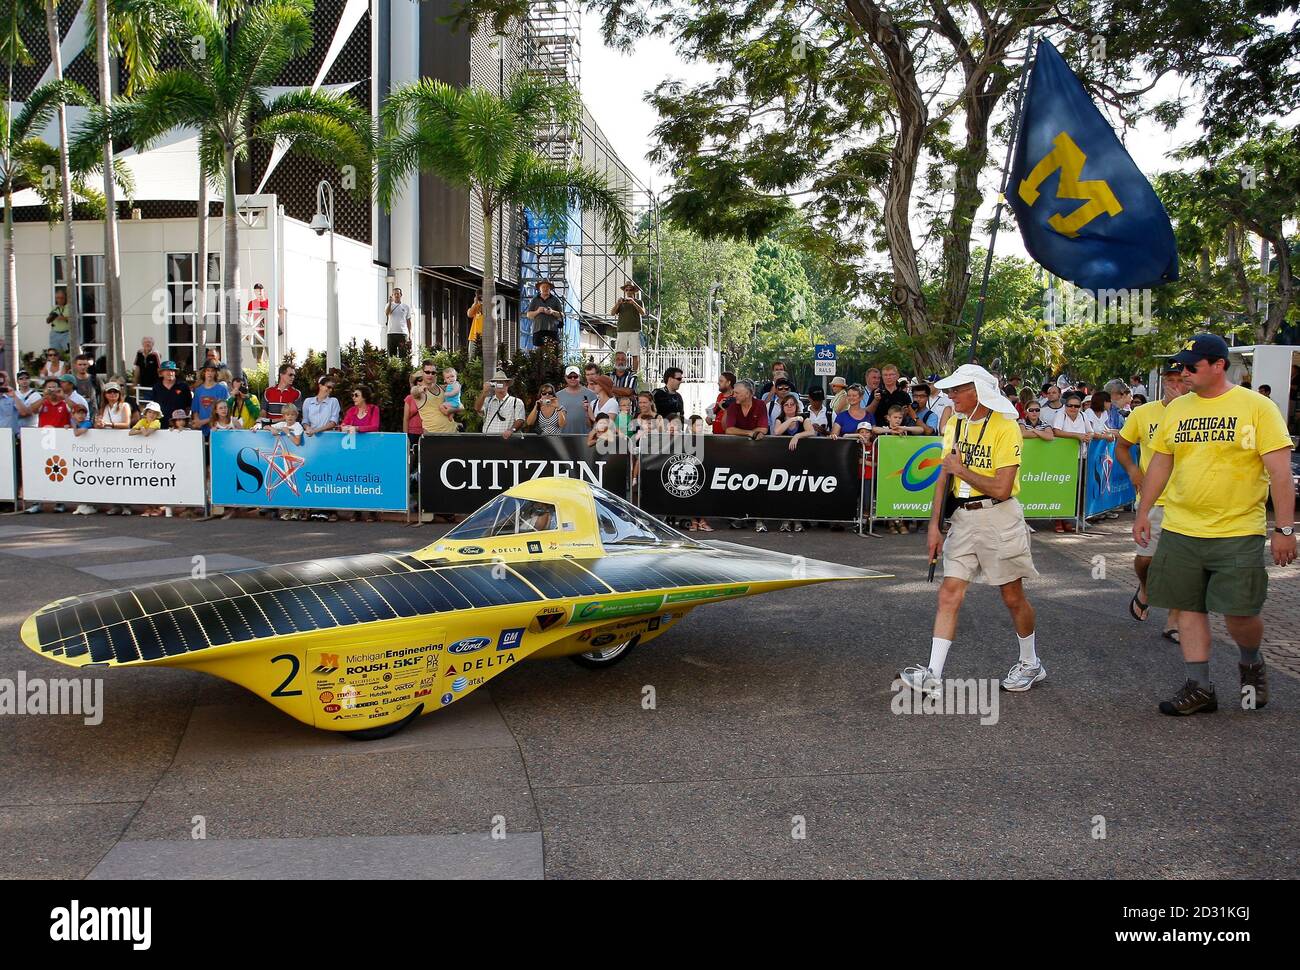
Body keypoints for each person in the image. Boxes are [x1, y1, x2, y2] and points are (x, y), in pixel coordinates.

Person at [1134, 334, 1296, 716]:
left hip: (1238, 531)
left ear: (1219, 365)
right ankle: (1200, 687)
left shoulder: (1257, 407)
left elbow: (1280, 473)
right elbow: (1162, 462)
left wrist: (1285, 530)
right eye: (1181, 367)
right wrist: (1143, 511)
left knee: (1240, 613)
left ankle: (1251, 662)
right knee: (1188, 607)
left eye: (1192, 367)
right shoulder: (1177, 409)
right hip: (1180, 527)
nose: (1183, 373)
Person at [900, 363, 1041, 699]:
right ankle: (933, 674)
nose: (950, 395)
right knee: (949, 593)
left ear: (978, 392)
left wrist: (961, 468)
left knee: (1012, 597)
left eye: (957, 390)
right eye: (949, 390)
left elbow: (1003, 488)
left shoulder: (1006, 428)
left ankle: (1030, 662)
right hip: (962, 520)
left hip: (1000, 518)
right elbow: (943, 478)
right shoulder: (954, 424)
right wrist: (933, 527)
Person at [1116, 362, 1188, 640]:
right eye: (1169, 380)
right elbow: (1121, 445)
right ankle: (1146, 588)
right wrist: (1134, 471)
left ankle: (1174, 620)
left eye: (1180, 380)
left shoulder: (1199, 413)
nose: (1174, 385)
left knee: (1182, 565)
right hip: (1153, 500)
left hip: (1188, 502)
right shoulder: (1144, 413)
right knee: (1146, 560)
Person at [772, 395, 815, 534]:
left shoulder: (804, 418)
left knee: (798, 490)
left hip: (800, 460)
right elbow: (777, 432)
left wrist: (797, 435)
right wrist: (791, 419)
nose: (790, 407)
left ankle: (797, 520)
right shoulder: (780, 419)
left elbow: (811, 431)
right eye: (786, 405)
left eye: (792, 404)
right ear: (783, 407)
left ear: (797, 406)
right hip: (783, 461)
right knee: (784, 491)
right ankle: (785, 520)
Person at [477, 369, 526, 438]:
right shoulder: (487, 400)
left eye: (502, 382)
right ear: (493, 385)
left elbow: (520, 420)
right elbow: (477, 409)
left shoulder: (516, 402)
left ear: (507, 384)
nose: (500, 384)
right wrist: (483, 393)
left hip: (507, 439)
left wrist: (511, 430)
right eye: (497, 382)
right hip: (488, 439)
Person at [611, 281, 644, 371]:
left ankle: (634, 374)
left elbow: (643, 313)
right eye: (627, 289)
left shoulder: (639, 302)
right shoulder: (621, 302)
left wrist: (633, 302)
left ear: (634, 291)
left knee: (635, 353)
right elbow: (612, 313)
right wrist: (618, 303)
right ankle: (620, 372)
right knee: (620, 354)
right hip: (622, 331)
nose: (629, 291)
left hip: (635, 331)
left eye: (631, 289)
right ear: (625, 291)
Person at [190, 362, 230, 436]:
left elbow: (224, 411)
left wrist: (203, 422)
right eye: (208, 370)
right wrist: (197, 421)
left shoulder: (222, 389)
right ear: (204, 372)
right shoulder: (198, 390)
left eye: (212, 371)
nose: (210, 373)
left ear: (215, 373)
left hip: (218, 429)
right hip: (201, 430)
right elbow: (195, 410)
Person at [556, 365, 596, 436]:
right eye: (569, 377)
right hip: (563, 437)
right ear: (565, 377)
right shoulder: (557, 396)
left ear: (579, 377)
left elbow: (596, 418)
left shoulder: (591, 394)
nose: (573, 378)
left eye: (575, 376)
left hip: (585, 437)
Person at [526, 279, 564, 348]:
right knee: (539, 353)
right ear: (540, 289)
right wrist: (538, 311)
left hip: (552, 330)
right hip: (538, 329)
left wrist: (552, 312)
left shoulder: (555, 300)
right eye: (543, 287)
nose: (545, 289)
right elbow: (528, 315)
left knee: (554, 352)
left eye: (547, 287)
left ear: (550, 289)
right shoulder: (535, 300)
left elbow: (562, 315)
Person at [385, 288, 412, 356]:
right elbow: (387, 313)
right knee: (391, 355)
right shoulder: (389, 305)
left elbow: (408, 321)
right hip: (391, 333)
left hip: (402, 333)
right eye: (395, 294)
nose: (396, 295)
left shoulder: (406, 307)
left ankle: (403, 367)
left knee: (403, 355)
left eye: (398, 294)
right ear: (392, 295)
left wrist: (410, 335)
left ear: (401, 295)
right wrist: (390, 303)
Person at [47, 288, 70, 354]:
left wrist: (56, 316)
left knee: (68, 354)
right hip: (55, 334)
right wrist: (52, 316)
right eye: (57, 298)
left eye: (62, 298)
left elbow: (67, 317)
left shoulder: (69, 307)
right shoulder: (55, 308)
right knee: (54, 354)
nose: (59, 300)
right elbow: (48, 320)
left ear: (65, 298)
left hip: (66, 334)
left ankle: (67, 364)